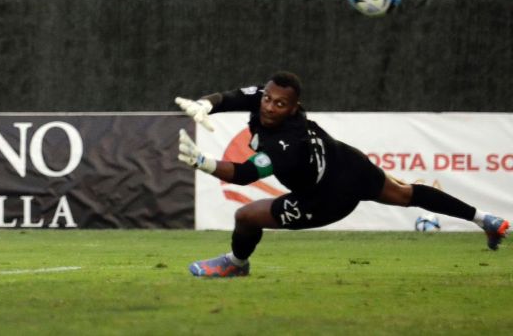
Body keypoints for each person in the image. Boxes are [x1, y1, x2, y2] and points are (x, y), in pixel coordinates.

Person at [175, 71, 510, 278]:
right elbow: (233, 97)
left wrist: (202, 161)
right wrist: (205, 104)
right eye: (267, 98)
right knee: (407, 194)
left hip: (325, 198)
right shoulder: (266, 99)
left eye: (280, 104)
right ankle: (486, 219)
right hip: (348, 162)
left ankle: (235, 263)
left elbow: (245, 174)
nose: (269, 106)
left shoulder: (285, 142)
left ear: (295, 108)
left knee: (246, 216)